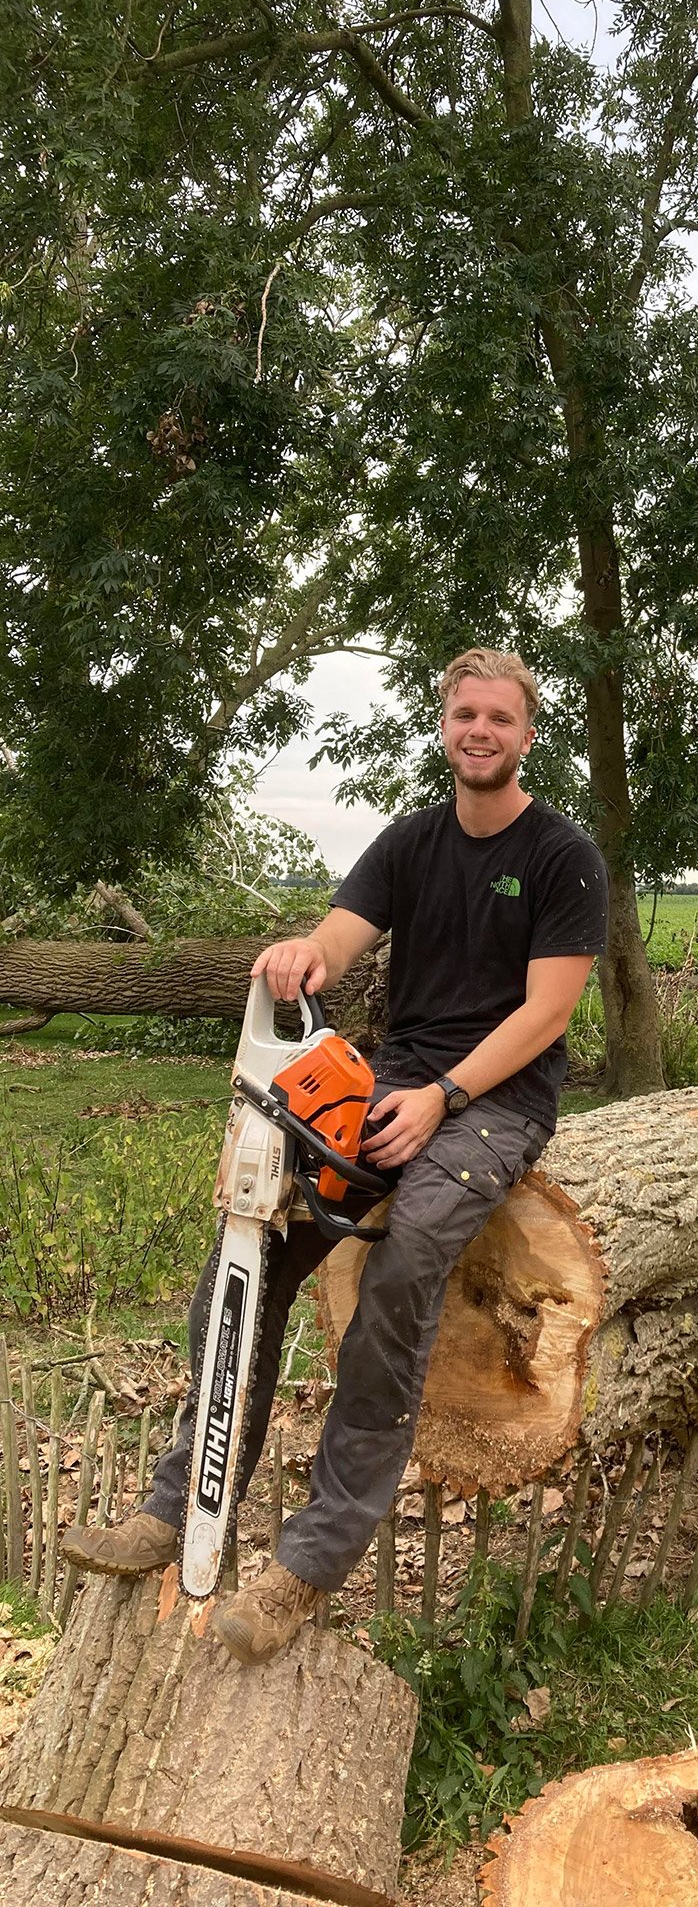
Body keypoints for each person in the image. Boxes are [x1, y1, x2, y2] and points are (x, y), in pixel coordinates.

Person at [62, 648, 609, 1663]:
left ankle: (309, 1563)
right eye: (464, 714)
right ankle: (178, 1505)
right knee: (248, 1258)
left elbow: (547, 1013)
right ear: (444, 727)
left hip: (496, 1103)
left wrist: (443, 1096)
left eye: (499, 717)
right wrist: (299, 955)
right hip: (394, 1080)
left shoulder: (561, 854)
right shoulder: (410, 841)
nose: (479, 731)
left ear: (527, 735)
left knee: (402, 1268)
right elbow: (336, 941)